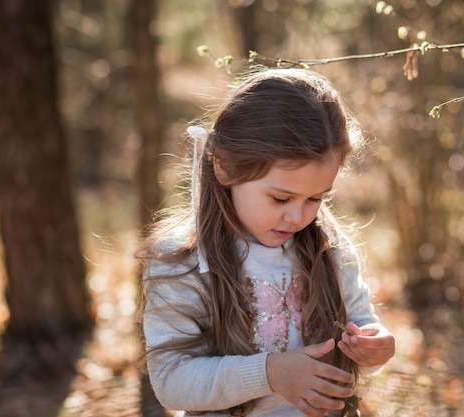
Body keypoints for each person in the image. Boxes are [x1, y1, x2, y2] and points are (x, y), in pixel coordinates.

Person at [137, 68, 395, 417]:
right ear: (225, 167)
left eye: (316, 198)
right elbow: (172, 382)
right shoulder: (182, 261)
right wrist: (268, 373)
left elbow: (361, 322)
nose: (298, 217)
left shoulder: (330, 252)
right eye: (280, 198)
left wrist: (372, 344)